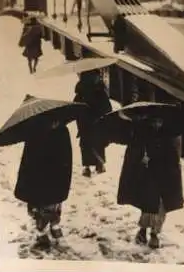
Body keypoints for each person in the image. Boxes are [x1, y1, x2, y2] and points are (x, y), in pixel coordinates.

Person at [114, 116, 184, 249]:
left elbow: (173, 157)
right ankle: (143, 231)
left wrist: (171, 170)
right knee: (148, 206)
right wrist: (142, 159)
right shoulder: (143, 136)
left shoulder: (168, 137)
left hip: (163, 178)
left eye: (160, 121)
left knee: (160, 208)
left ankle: (154, 234)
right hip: (148, 177)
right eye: (155, 121)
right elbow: (133, 153)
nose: (157, 124)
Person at [14, 120, 72, 250]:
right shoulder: (34, 129)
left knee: (54, 201)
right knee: (39, 204)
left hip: (56, 173)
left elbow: (66, 155)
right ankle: (41, 231)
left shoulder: (62, 131)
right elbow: (29, 156)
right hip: (38, 174)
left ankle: (54, 225)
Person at [74, 70, 112, 177]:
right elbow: (107, 107)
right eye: (97, 76)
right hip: (90, 122)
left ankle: (96, 165)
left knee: (92, 144)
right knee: (92, 144)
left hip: (90, 122)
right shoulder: (96, 90)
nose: (98, 78)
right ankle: (92, 166)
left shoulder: (87, 90)